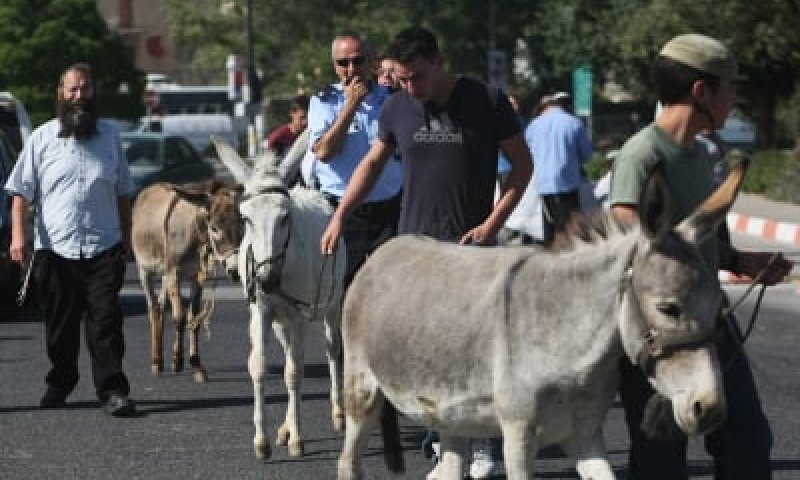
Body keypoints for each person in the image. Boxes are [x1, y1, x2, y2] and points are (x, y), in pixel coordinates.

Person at [319, 27, 532, 480]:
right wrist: (340, 214)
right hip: (415, 251)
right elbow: (372, 163)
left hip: (471, 251)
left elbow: (523, 166)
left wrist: (492, 223)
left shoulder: (486, 101)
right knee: (430, 353)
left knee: (478, 353)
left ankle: (484, 446)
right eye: (402, 77)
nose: (410, 86)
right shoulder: (397, 106)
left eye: (416, 76)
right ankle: (445, 446)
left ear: (439, 61)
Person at [609, 33, 793, 480]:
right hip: (663, 329)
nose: (733, 98)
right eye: (728, 87)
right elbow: (630, 237)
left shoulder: (703, 156)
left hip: (711, 318)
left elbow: (700, 243)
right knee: (662, 455)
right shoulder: (643, 154)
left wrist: (743, 261)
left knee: (746, 437)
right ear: (700, 91)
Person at [4, 63, 137, 417]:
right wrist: (19, 237)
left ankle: (112, 390)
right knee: (60, 328)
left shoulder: (110, 137)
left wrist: (127, 237)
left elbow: (123, 192)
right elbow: (20, 194)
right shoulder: (42, 138)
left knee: (105, 321)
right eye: (73, 90)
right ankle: (61, 380)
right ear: (61, 94)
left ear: (93, 93)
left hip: (103, 247)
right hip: (55, 250)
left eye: (85, 89)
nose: (79, 96)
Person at [307, 32, 403, 287]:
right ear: (334, 66)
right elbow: (324, 152)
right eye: (343, 63)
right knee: (344, 291)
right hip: (342, 211)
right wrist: (350, 106)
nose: (352, 69)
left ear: (372, 62)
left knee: (391, 289)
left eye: (358, 61)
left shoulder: (393, 100)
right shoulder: (324, 101)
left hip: (388, 209)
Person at [524, 91, 593, 246]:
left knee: (549, 229)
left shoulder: (534, 125)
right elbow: (587, 155)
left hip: (543, 185)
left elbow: (527, 154)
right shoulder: (573, 123)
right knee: (571, 231)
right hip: (567, 184)